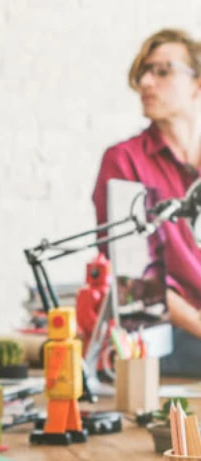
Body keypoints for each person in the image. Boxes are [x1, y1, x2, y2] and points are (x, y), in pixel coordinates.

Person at [91, 28, 201, 376]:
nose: (146, 83)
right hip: (170, 331)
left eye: (162, 71)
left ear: (198, 83)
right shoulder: (124, 162)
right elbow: (138, 282)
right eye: (143, 73)